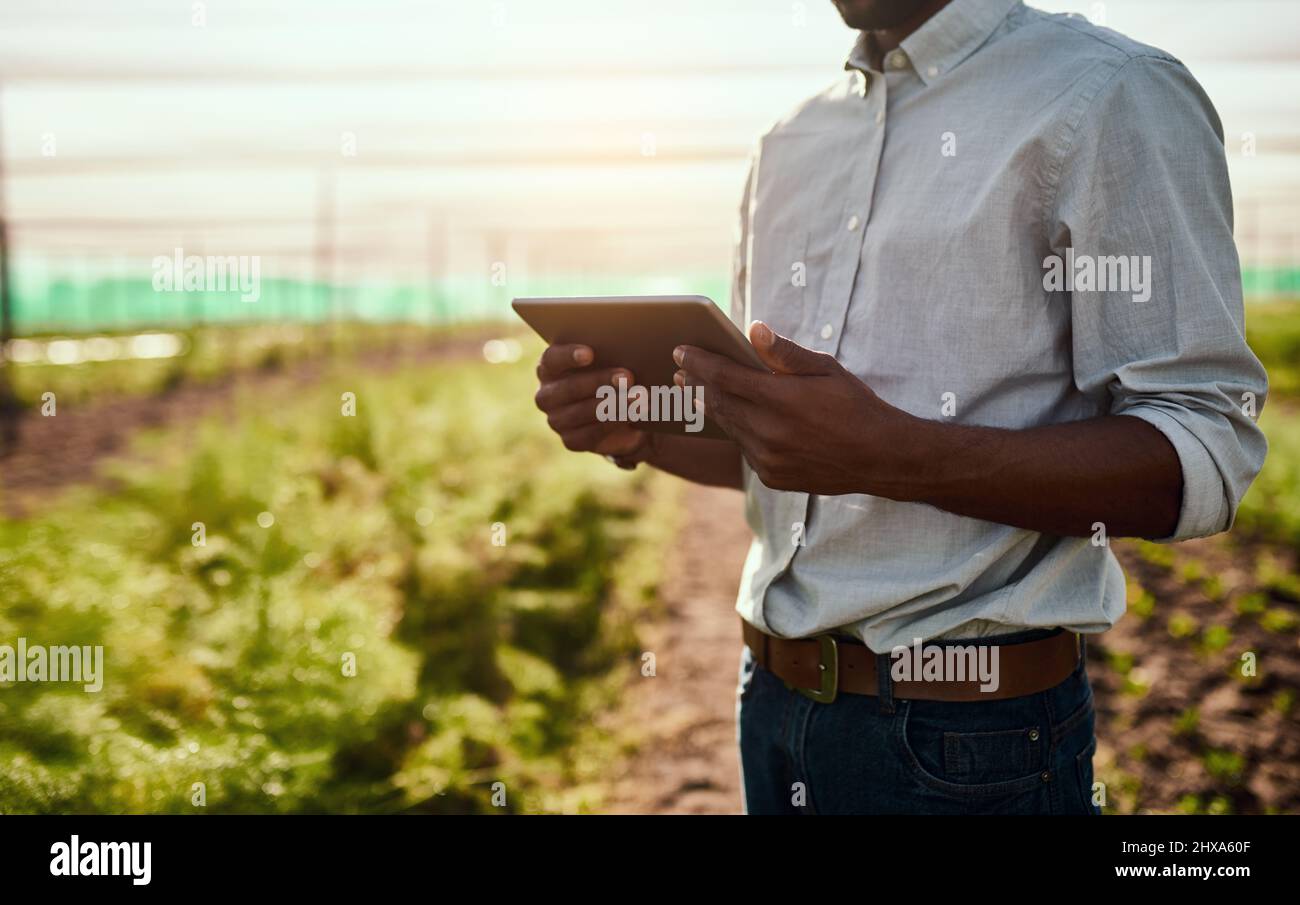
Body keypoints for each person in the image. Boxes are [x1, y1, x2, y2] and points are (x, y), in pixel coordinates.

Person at [530, 0, 1268, 814]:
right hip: (771, 708)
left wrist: (889, 454)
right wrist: (637, 433)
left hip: (972, 743)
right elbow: (782, 453)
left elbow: (1202, 449)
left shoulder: (1109, 95)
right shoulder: (788, 140)